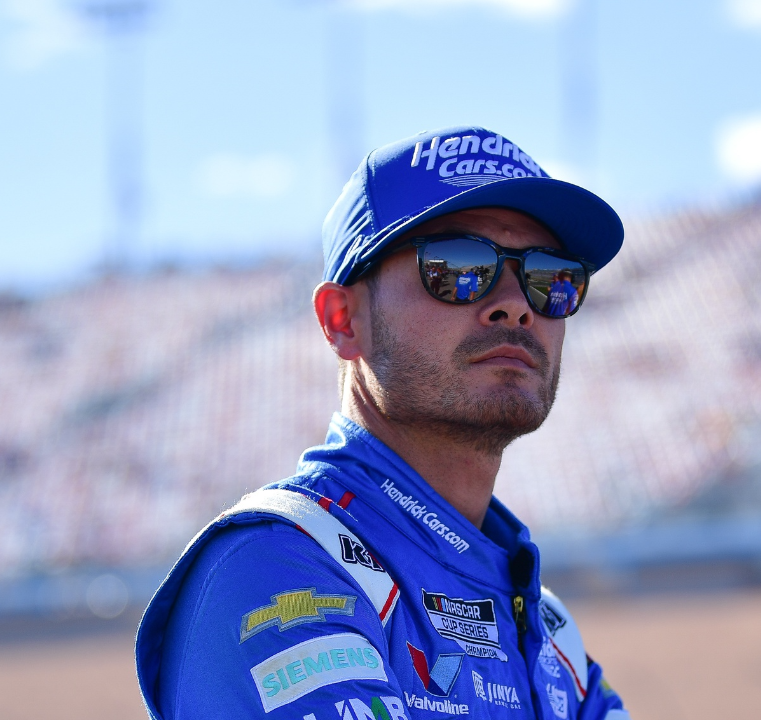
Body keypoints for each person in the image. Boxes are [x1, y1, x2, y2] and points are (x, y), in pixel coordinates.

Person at [135, 125, 629, 720]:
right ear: (343, 320)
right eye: (457, 267)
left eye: (551, 278)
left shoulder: (549, 633)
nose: (517, 303)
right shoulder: (278, 570)